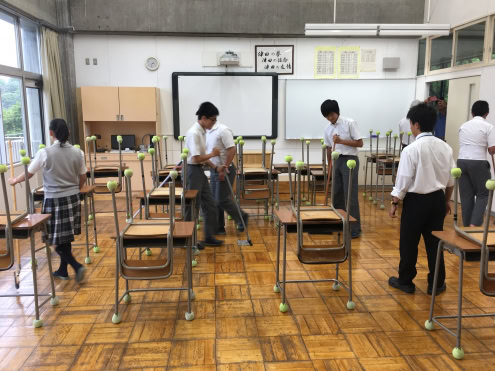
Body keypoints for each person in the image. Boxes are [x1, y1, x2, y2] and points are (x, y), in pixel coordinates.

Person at [389, 103, 455, 295]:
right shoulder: (446, 148)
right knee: (436, 242)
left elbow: (403, 180)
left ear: (416, 124)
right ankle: (436, 283)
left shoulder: (411, 149)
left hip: (416, 201)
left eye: (410, 124)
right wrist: (446, 201)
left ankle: (406, 281)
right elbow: (451, 180)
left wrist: (395, 202)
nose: (410, 127)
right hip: (437, 200)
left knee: (409, 242)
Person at [9, 119, 86, 282]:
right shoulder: (78, 153)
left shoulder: (45, 152)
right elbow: (83, 176)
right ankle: (63, 270)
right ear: (68, 133)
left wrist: (15, 180)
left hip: (54, 199)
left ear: (51, 133)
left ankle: (76, 265)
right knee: (65, 237)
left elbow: (29, 173)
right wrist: (75, 189)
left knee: (53, 238)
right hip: (72, 198)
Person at [184, 102, 225, 247]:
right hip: (191, 170)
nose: (214, 123)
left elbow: (202, 157)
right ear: (203, 118)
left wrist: (215, 167)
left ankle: (208, 237)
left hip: (198, 170)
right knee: (192, 207)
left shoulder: (202, 132)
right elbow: (196, 158)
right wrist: (212, 154)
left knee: (210, 204)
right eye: (212, 120)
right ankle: (187, 240)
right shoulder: (194, 133)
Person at [321, 99, 363, 238]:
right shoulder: (328, 128)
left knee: (350, 195)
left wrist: (341, 141)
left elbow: (360, 143)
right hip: (336, 160)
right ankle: (339, 224)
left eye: (331, 115)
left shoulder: (349, 123)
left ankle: (354, 228)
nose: (329, 118)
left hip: (350, 160)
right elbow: (328, 147)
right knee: (336, 194)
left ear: (337, 112)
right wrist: (329, 166)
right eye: (326, 116)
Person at [206, 119, 248, 234]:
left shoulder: (223, 130)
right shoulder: (208, 133)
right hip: (215, 169)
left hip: (226, 169)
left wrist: (225, 167)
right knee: (214, 200)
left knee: (221, 199)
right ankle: (219, 227)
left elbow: (232, 149)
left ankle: (242, 217)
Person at [458, 100, 495, 227]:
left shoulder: (463, 126)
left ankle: (467, 226)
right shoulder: (488, 127)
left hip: (461, 161)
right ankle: (474, 224)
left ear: (472, 112)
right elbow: (492, 150)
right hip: (478, 162)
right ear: (487, 113)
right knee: (483, 193)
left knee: (466, 196)